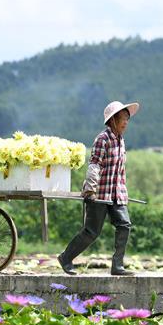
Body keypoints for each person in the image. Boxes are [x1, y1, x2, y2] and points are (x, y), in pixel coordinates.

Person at [57, 100, 139, 276]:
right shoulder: (103, 139)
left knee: (124, 225)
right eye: (122, 118)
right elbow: (95, 165)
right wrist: (90, 190)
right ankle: (65, 258)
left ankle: (117, 266)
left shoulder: (121, 141)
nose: (125, 122)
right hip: (99, 193)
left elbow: (120, 170)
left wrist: (123, 190)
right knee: (91, 232)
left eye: (127, 119)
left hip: (117, 193)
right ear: (112, 120)